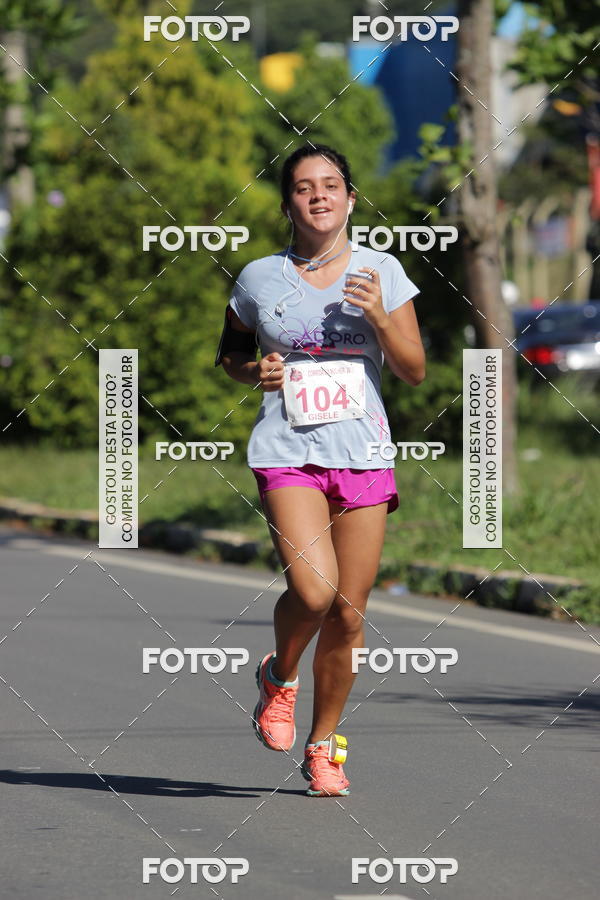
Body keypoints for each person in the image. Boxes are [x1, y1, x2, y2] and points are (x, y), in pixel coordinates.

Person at [214, 143, 425, 797]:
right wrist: (255, 371)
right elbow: (232, 354)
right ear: (288, 205)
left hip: (363, 454)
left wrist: (379, 316)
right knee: (313, 592)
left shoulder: (381, 270)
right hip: (288, 452)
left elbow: (415, 370)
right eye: (305, 187)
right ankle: (279, 677)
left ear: (351, 199)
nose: (319, 196)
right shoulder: (258, 278)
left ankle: (323, 744)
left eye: (331, 185)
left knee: (348, 615)